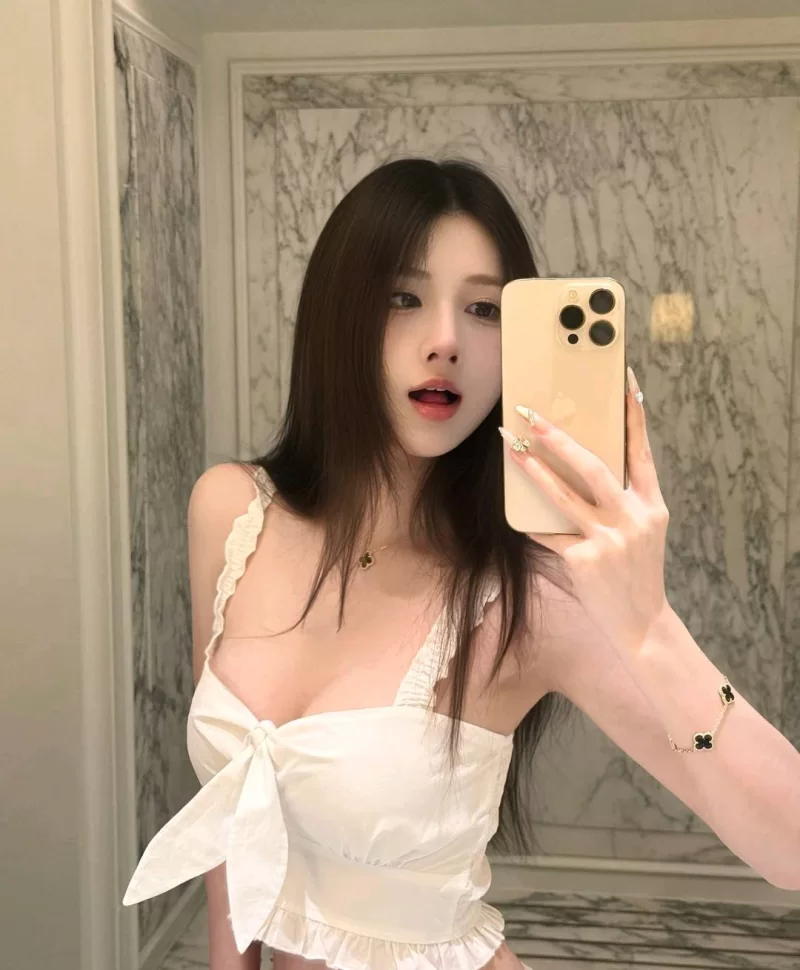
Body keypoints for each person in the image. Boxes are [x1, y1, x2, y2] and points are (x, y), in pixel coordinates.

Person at [122, 157, 800, 969]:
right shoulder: (233, 512)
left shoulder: (533, 597)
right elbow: (229, 818)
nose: (445, 340)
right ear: (337, 313)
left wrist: (650, 626)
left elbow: (791, 849)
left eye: (484, 309)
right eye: (402, 297)